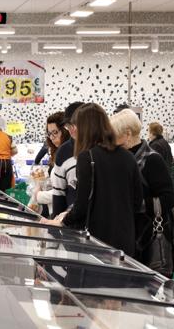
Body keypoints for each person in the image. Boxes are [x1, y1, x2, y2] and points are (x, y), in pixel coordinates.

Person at [41, 103, 143, 257]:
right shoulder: (128, 156)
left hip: (97, 242)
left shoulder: (87, 157)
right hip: (125, 241)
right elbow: (137, 201)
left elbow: (82, 204)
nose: (73, 130)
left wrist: (61, 220)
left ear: (84, 127)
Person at [111, 109, 174, 274]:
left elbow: (169, 199)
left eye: (114, 136)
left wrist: (135, 204)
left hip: (149, 236)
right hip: (130, 234)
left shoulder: (152, 160)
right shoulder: (121, 159)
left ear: (127, 134)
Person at [32, 112, 70, 218]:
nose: (52, 137)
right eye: (49, 134)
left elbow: (65, 192)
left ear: (65, 131)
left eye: (55, 132)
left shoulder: (70, 155)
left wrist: (38, 195)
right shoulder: (56, 152)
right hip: (55, 213)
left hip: (64, 216)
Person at [52, 101, 84, 217]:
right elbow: (58, 194)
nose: (71, 130)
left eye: (74, 125)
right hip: (71, 222)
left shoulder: (101, 147)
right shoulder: (63, 152)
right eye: (68, 126)